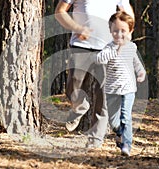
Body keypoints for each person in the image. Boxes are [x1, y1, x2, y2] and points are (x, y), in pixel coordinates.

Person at [54, 0, 135, 148]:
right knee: (73, 86)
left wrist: (127, 35)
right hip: (80, 45)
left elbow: (127, 12)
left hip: (108, 49)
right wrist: (77, 27)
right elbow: (60, 11)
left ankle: (95, 140)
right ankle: (80, 106)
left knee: (104, 97)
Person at [93, 10, 146, 156]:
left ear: (130, 31)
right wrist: (115, 49)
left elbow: (136, 62)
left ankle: (126, 145)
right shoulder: (109, 47)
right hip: (112, 89)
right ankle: (119, 133)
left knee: (126, 116)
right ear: (110, 30)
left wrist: (141, 72)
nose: (119, 34)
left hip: (128, 89)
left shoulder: (131, 47)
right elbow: (99, 59)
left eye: (123, 31)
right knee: (114, 121)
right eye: (115, 31)